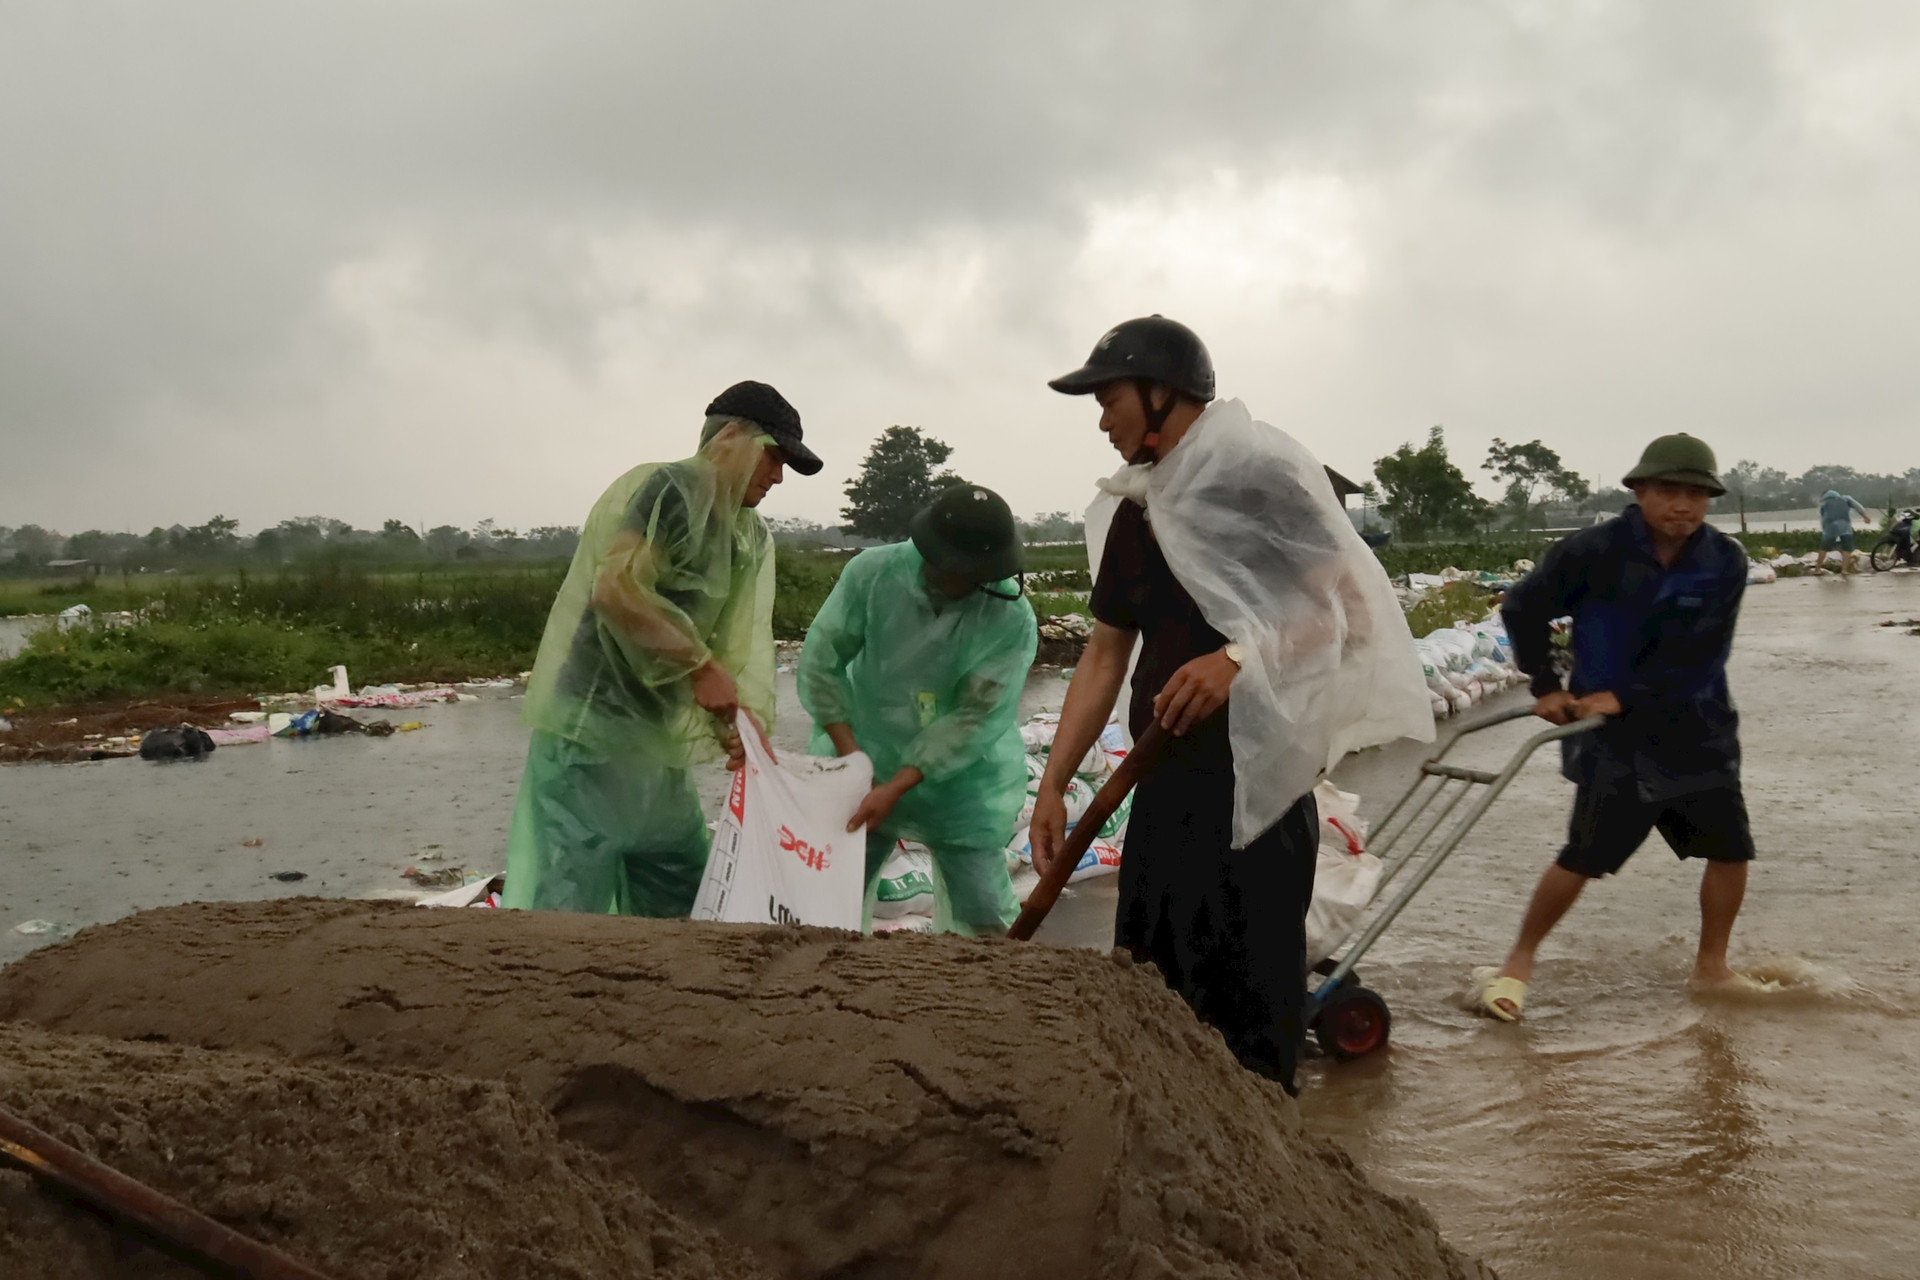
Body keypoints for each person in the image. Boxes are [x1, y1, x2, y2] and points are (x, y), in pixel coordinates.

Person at [1031, 316, 1432, 1092]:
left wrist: (1239, 658)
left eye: (1110, 400)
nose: (1103, 421)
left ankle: (1265, 1174)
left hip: (1258, 793)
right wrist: (1053, 784)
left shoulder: (1261, 485)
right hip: (1164, 782)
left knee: (1248, 1016)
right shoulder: (1137, 511)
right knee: (1154, 995)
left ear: (1162, 397)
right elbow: (1105, 654)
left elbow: (1347, 615)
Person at [504, 381, 822, 915]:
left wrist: (736, 723)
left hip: (654, 744)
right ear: (730, 438)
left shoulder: (745, 534)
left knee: (682, 893)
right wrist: (699, 668)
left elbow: (732, 643)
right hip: (590, 733)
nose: (777, 477)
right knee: (566, 907)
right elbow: (615, 589)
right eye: (773, 457)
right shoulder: (671, 491)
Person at [1477, 433, 1752, 1022]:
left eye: (1697, 495)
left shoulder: (1724, 561)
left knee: (1730, 851)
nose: (1683, 505)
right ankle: (1519, 961)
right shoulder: (1594, 551)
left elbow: (1705, 655)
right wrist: (1547, 686)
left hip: (1697, 729)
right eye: (1670, 491)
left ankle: (1712, 967)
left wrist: (1624, 697)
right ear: (1640, 492)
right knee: (1582, 855)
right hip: (1612, 742)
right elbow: (1522, 607)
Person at [798, 485, 1038, 936]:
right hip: (863, 761)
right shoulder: (873, 575)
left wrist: (901, 782)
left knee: (983, 909)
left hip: (961, 781)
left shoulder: (1009, 615)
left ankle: (989, 992)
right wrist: (855, 761)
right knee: (830, 901)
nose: (966, 582)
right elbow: (822, 663)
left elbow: (975, 717)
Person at [1813, 488, 1872, 576]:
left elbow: (1822, 515)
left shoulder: (1824, 503)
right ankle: (1844, 570)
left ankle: (1817, 570)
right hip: (1845, 526)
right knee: (1847, 549)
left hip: (1830, 527)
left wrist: (1825, 529)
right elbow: (1859, 507)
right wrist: (1865, 517)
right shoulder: (1846, 499)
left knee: (1824, 548)